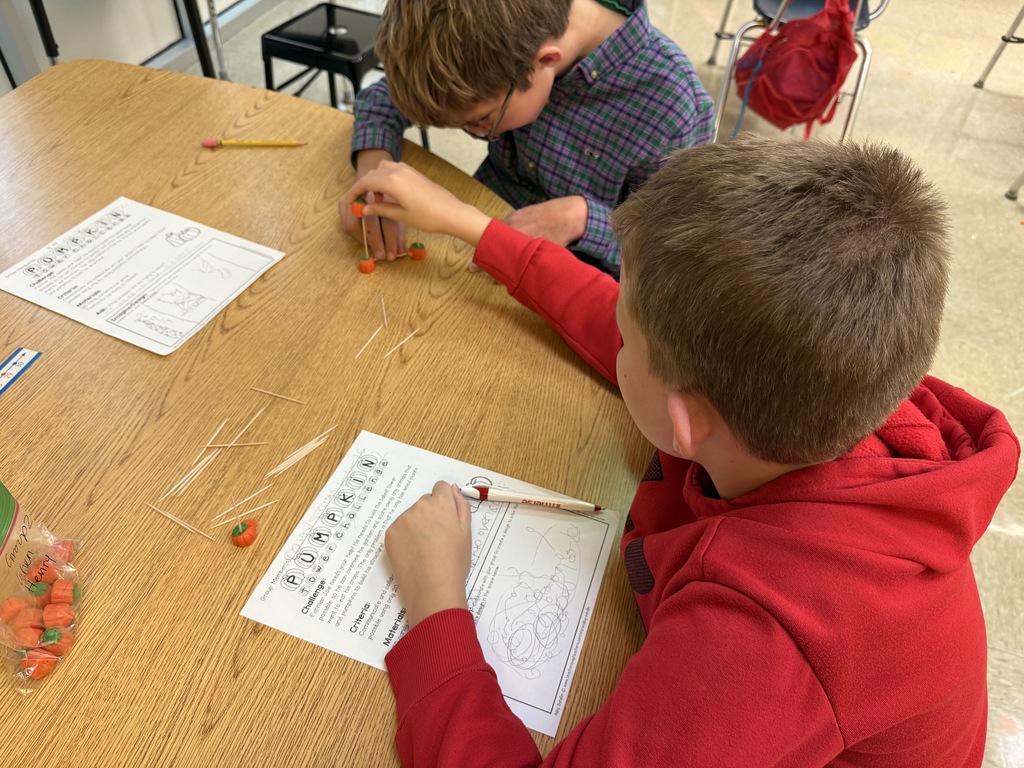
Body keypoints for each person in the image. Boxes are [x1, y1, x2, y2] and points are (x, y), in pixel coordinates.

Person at [346, 137, 1020, 766]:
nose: (612, 325)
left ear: (686, 421)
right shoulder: (835, 384)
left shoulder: (766, 643)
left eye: (624, 333)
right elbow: (629, 323)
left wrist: (435, 600)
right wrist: (472, 225)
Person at [340, 0, 714, 277]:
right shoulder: (496, 46)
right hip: (476, 247)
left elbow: (675, 257)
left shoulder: (673, 102)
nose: (475, 133)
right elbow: (382, 98)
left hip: (580, 288)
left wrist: (585, 220)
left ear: (545, 61)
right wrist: (375, 172)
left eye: (482, 121)